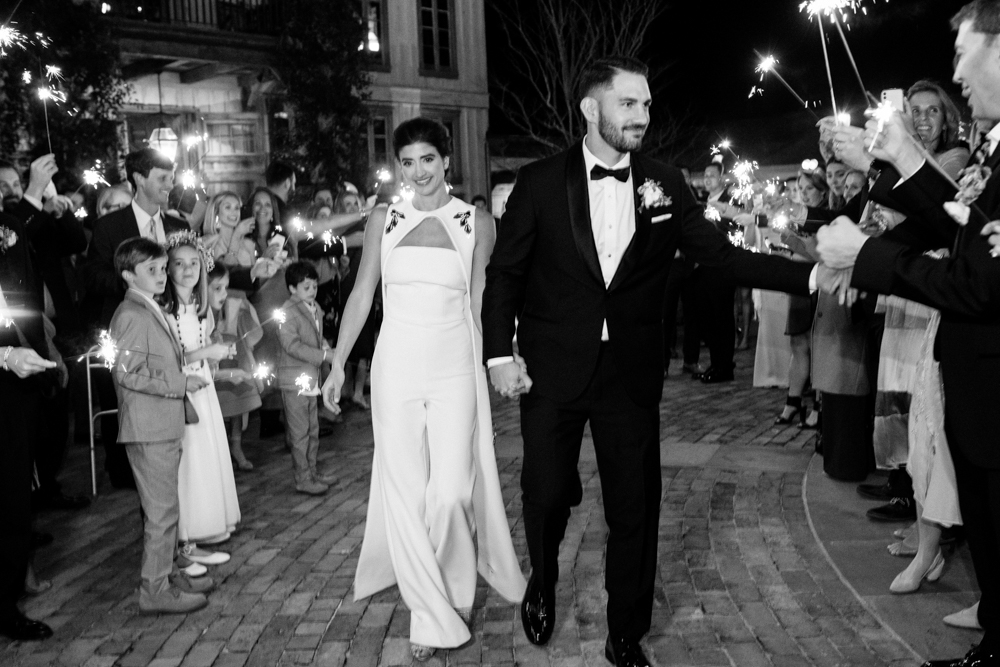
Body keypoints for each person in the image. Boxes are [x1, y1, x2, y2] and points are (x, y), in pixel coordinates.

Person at [482, 57, 822, 666]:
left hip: (631, 373)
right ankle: (543, 575)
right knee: (546, 491)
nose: (642, 116)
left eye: (645, 105)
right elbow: (504, 275)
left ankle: (625, 630)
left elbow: (722, 257)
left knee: (635, 506)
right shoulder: (538, 182)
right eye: (628, 104)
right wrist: (496, 355)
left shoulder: (663, 182)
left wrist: (815, 275)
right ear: (592, 109)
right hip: (553, 368)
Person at [815, 4, 1000, 663]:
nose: (955, 69)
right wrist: (897, 158)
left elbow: (981, 281)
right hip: (974, 375)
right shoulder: (990, 148)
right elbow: (958, 230)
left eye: (963, 51)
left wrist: (862, 258)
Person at [322, 117, 526, 660]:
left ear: (446, 161)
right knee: (406, 494)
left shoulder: (476, 221)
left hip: (456, 362)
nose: (418, 172)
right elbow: (363, 293)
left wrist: (502, 357)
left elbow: (483, 299)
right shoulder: (384, 218)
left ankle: (455, 588)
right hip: (396, 366)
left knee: (453, 491)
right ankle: (432, 612)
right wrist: (339, 361)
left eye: (427, 160)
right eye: (407, 162)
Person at [108, 237, 215, 614]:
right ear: (127, 275)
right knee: (161, 515)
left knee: (167, 509)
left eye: (160, 268)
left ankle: (168, 575)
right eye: (150, 270)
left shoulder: (148, 307)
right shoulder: (131, 315)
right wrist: (180, 383)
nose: (160, 275)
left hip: (162, 423)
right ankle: (153, 590)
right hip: (148, 427)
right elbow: (128, 374)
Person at [82, 148, 190, 489]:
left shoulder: (177, 225)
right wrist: (136, 279)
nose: (169, 186)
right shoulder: (109, 226)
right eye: (162, 179)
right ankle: (129, 474)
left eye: (171, 178)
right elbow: (93, 276)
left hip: (173, 326)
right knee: (131, 400)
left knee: (170, 396)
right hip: (128, 324)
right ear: (139, 179)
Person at [161, 232, 241, 558]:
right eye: (179, 264)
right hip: (181, 389)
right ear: (167, 268)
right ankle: (186, 536)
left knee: (207, 453)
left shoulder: (200, 306)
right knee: (188, 460)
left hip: (203, 387)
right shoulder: (164, 310)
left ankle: (207, 524)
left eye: (194, 262)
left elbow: (203, 346)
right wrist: (207, 351)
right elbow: (170, 358)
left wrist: (215, 355)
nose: (188, 269)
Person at [0, 210, 57, 640]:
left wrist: (28, 350)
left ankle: (6, 605)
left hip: (16, 385)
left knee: (14, 499)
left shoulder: (10, 227)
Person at [279, 261, 338, 495]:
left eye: (314, 285)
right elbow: (291, 345)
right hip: (295, 378)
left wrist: (323, 344)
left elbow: (314, 336)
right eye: (306, 286)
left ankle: (312, 471)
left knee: (313, 429)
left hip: (310, 377)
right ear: (293, 288)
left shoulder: (315, 307)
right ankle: (302, 477)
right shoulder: (287, 311)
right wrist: (324, 354)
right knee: (300, 432)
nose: (312, 290)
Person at [208, 263, 263, 471]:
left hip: (234, 354)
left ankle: (236, 446)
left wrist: (242, 311)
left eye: (226, 287)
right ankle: (220, 450)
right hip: (215, 361)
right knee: (219, 406)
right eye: (217, 288)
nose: (223, 292)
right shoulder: (201, 309)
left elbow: (250, 325)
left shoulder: (234, 298)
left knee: (237, 403)